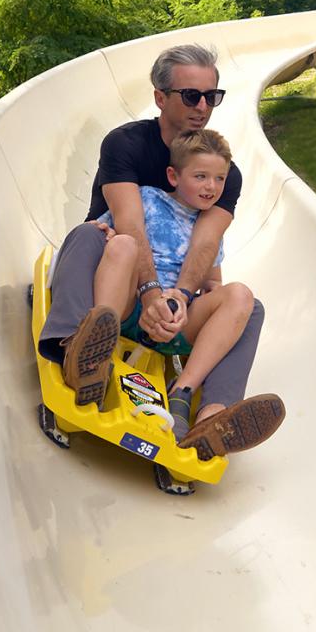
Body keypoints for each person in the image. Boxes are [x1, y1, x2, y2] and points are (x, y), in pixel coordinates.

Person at [37, 43, 284, 460]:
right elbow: (129, 222)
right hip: (112, 269)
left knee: (248, 305)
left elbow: (207, 243)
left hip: (170, 299)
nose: (203, 105)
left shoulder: (226, 174)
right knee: (95, 236)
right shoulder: (127, 144)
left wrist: (180, 299)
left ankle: (211, 414)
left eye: (212, 96)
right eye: (191, 95)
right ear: (160, 97)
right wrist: (152, 293)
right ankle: (78, 349)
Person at [100, 127, 268, 447]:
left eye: (219, 179)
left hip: (177, 323)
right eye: (201, 176)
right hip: (129, 307)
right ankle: (95, 356)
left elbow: (213, 282)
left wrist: (203, 295)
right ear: (173, 176)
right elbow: (109, 233)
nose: (212, 187)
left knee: (241, 295)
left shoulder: (210, 230)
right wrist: (102, 232)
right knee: (122, 246)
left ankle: (187, 397)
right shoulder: (147, 200)